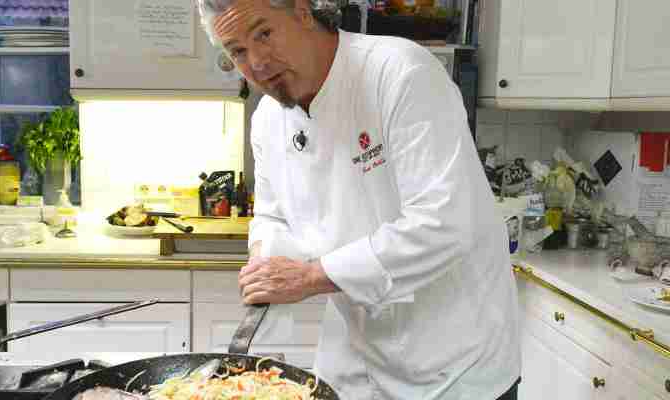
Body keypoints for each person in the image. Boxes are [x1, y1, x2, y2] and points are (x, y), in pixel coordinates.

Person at [196, 0, 521, 399]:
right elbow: (272, 216)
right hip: (354, 355)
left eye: (264, 33)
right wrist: (264, 262)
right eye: (238, 50)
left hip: (455, 363)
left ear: (302, 11)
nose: (257, 62)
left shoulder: (400, 73)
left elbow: (445, 223)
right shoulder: (267, 119)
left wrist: (309, 278)